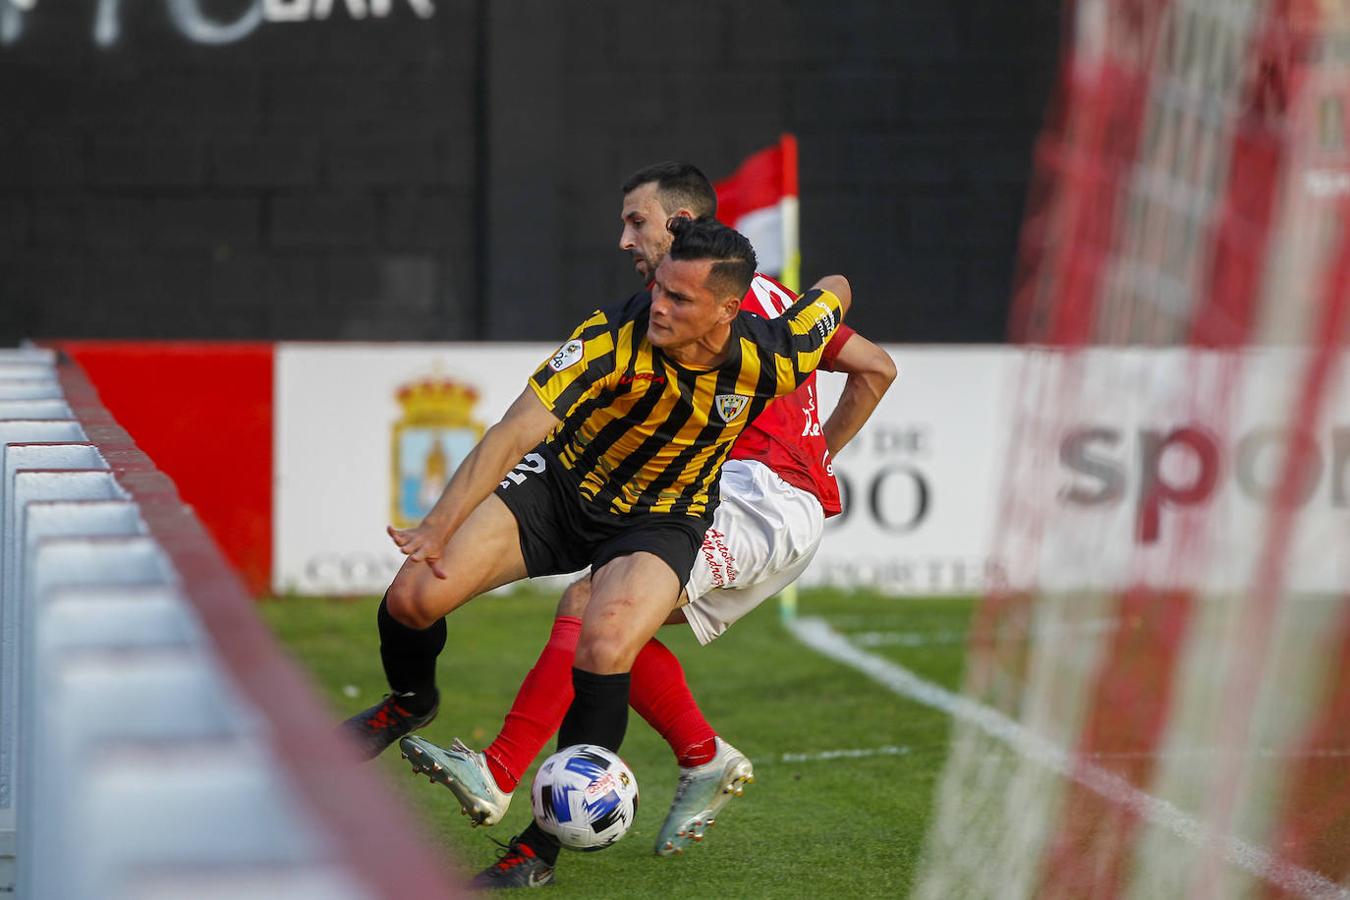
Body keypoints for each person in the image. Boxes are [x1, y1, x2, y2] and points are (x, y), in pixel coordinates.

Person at [396, 163, 896, 879]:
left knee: (590, 605)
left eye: (638, 223)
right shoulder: (755, 297)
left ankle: (503, 774)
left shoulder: (728, 306)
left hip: (758, 497)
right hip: (740, 489)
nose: (626, 240)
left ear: (683, 229)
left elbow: (867, 361)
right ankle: (699, 755)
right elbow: (875, 365)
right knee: (607, 627)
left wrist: (798, 471)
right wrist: (819, 458)